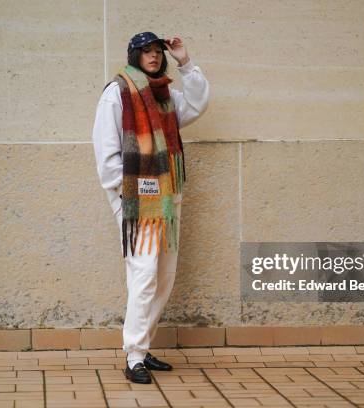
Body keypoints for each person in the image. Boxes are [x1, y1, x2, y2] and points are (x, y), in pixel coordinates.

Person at [91, 32, 209, 384]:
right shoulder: (117, 93)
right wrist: (130, 193)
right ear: (134, 55)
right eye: (147, 51)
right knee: (144, 274)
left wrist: (186, 61)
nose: (154, 56)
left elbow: (198, 103)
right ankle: (134, 356)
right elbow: (107, 153)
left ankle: (142, 346)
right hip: (137, 201)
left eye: (158, 51)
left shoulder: (164, 95)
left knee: (164, 277)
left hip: (168, 199)